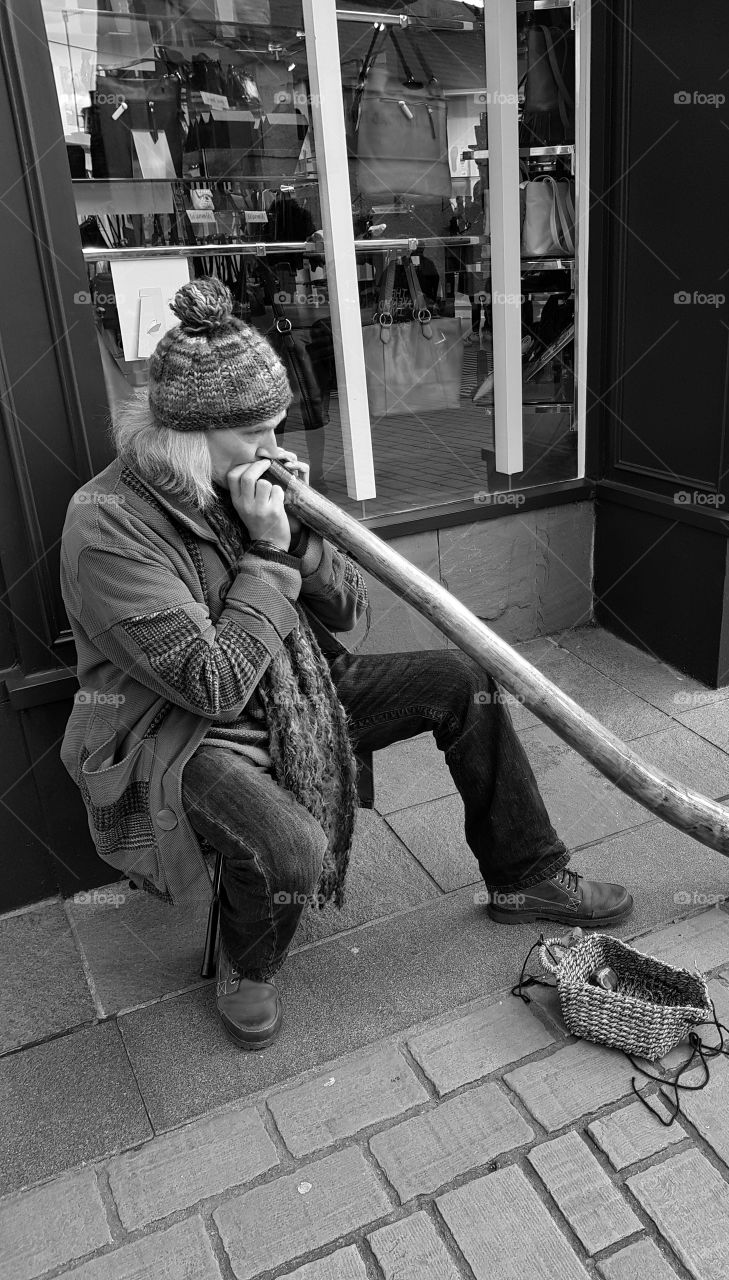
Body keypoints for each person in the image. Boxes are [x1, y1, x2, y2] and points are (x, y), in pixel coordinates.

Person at [59, 277, 633, 1052]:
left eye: (278, 425)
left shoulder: (239, 484)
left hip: (294, 684)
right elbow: (214, 684)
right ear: (190, 434)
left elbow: (347, 615)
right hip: (179, 737)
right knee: (292, 847)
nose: (274, 447)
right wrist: (266, 552)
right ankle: (245, 964)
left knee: (464, 681)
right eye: (256, 431)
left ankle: (526, 873)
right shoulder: (107, 526)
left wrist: (298, 537)